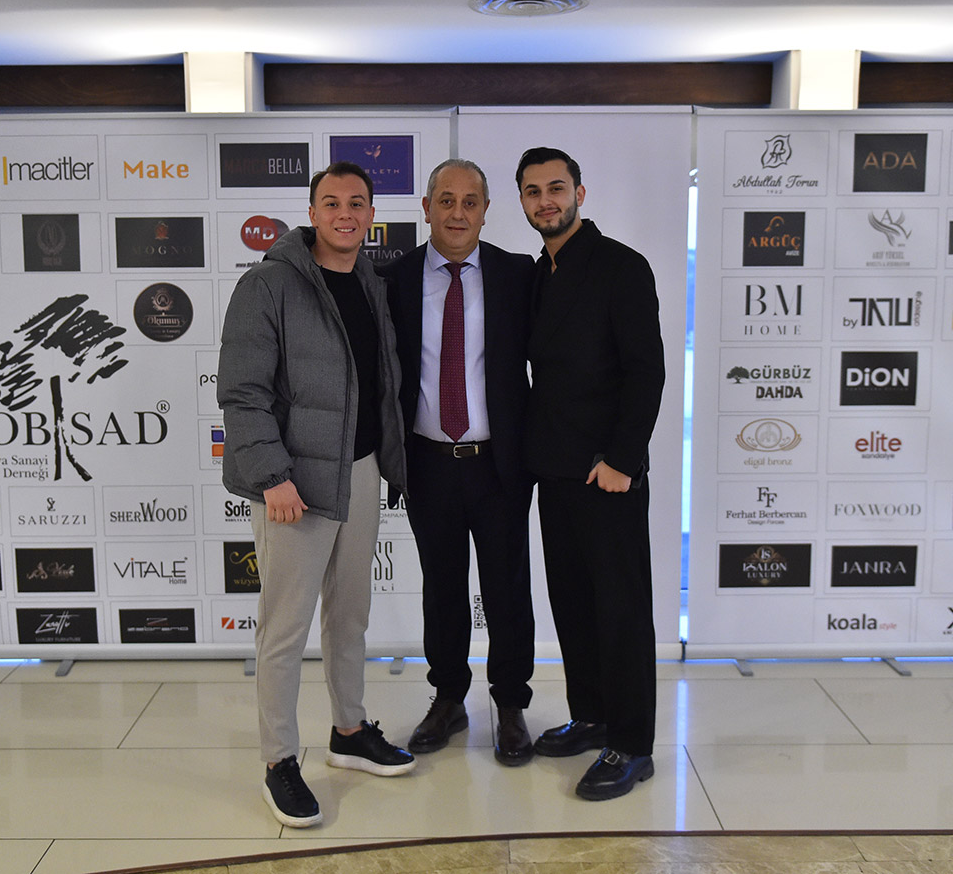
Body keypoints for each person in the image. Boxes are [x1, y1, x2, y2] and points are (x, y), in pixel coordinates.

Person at [218, 161, 414, 829]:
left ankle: (349, 731)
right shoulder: (268, 284)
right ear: (311, 212)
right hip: (294, 484)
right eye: (332, 203)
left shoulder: (370, 281)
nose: (345, 214)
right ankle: (278, 760)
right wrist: (272, 476)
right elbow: (242, 392)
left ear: (370, 215)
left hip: (360, 471)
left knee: (350, 614)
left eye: (357, 203)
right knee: (285, 627)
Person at [515, 146, 664, 800]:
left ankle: (631, 744)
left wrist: (622, 460)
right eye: (533, 192)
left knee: (621, 610)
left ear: (580, 192)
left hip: (609, 473)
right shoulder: (538, 274)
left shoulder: (621, 267)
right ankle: (594, 716)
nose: (545, 201)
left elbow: (646, 370)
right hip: (554, 469)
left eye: (556, 188)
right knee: (573, 605)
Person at [379, 159, 537, 767]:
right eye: (446, 200)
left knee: (506, 587)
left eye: (471, 202)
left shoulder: (517, 274)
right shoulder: (392, 279)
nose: (458, 213)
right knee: (442, 587)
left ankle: (511, 703)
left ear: (486, 211)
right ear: (426, 208)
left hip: (499, 464)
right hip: (427, 462)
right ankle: (448, 699)